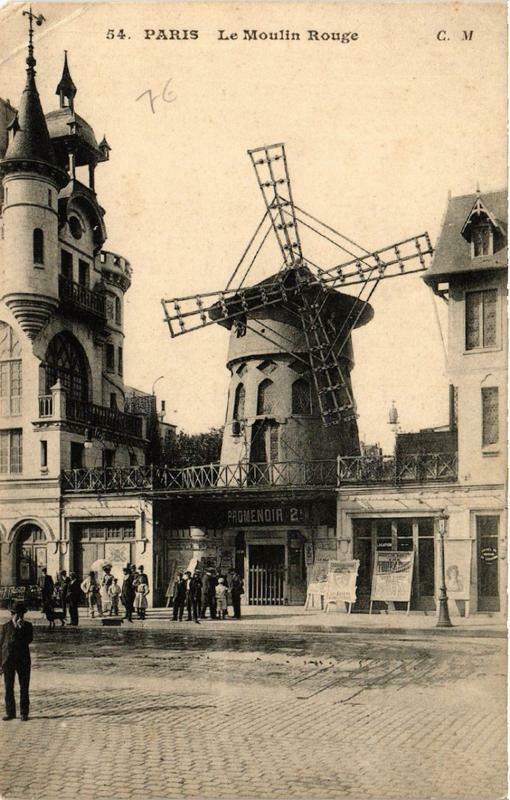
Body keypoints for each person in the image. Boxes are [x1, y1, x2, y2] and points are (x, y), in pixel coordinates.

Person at [1, 602, 33, 721]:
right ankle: (10, 713)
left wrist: (20, 628)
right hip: (8, 661)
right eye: (17, 614)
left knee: (24, 687)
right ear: (12, 614)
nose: (20, 617)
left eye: (22, 615)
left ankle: (24, 713)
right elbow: (1, 646)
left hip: (23, 660)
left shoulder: (28, 626)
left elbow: (28, 640)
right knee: (8, 687)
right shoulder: (5, 627)